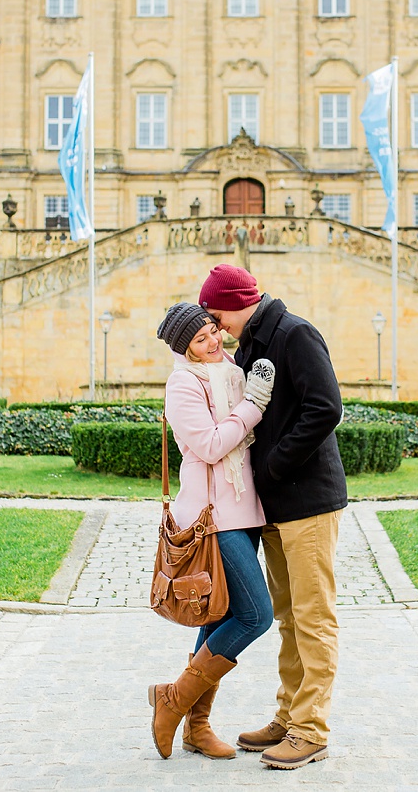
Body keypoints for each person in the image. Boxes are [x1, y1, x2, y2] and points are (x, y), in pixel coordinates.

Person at [198, 264, 346, 771]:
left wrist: (276, 463)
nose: (214, 325)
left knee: (313, 617)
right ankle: (288, 717)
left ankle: (312, 730)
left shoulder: (294, 333)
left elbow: (325, 408)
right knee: (288, 619)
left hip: (308, 500)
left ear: (237, 302)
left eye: (216, 314)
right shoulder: (254, 344)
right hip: (277, 505)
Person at [147, 301, 277, 761]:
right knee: (255, 616)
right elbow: (210, 444)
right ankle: (173, 699)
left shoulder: (233, 371)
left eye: (212, 331)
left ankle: (196, 727)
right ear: (184, 349)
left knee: (220, 616)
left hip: (245, 512)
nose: (212, 341)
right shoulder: (183, 384)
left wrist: (248, 400)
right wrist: (253, 407)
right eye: (200, 339)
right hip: (211, 519)